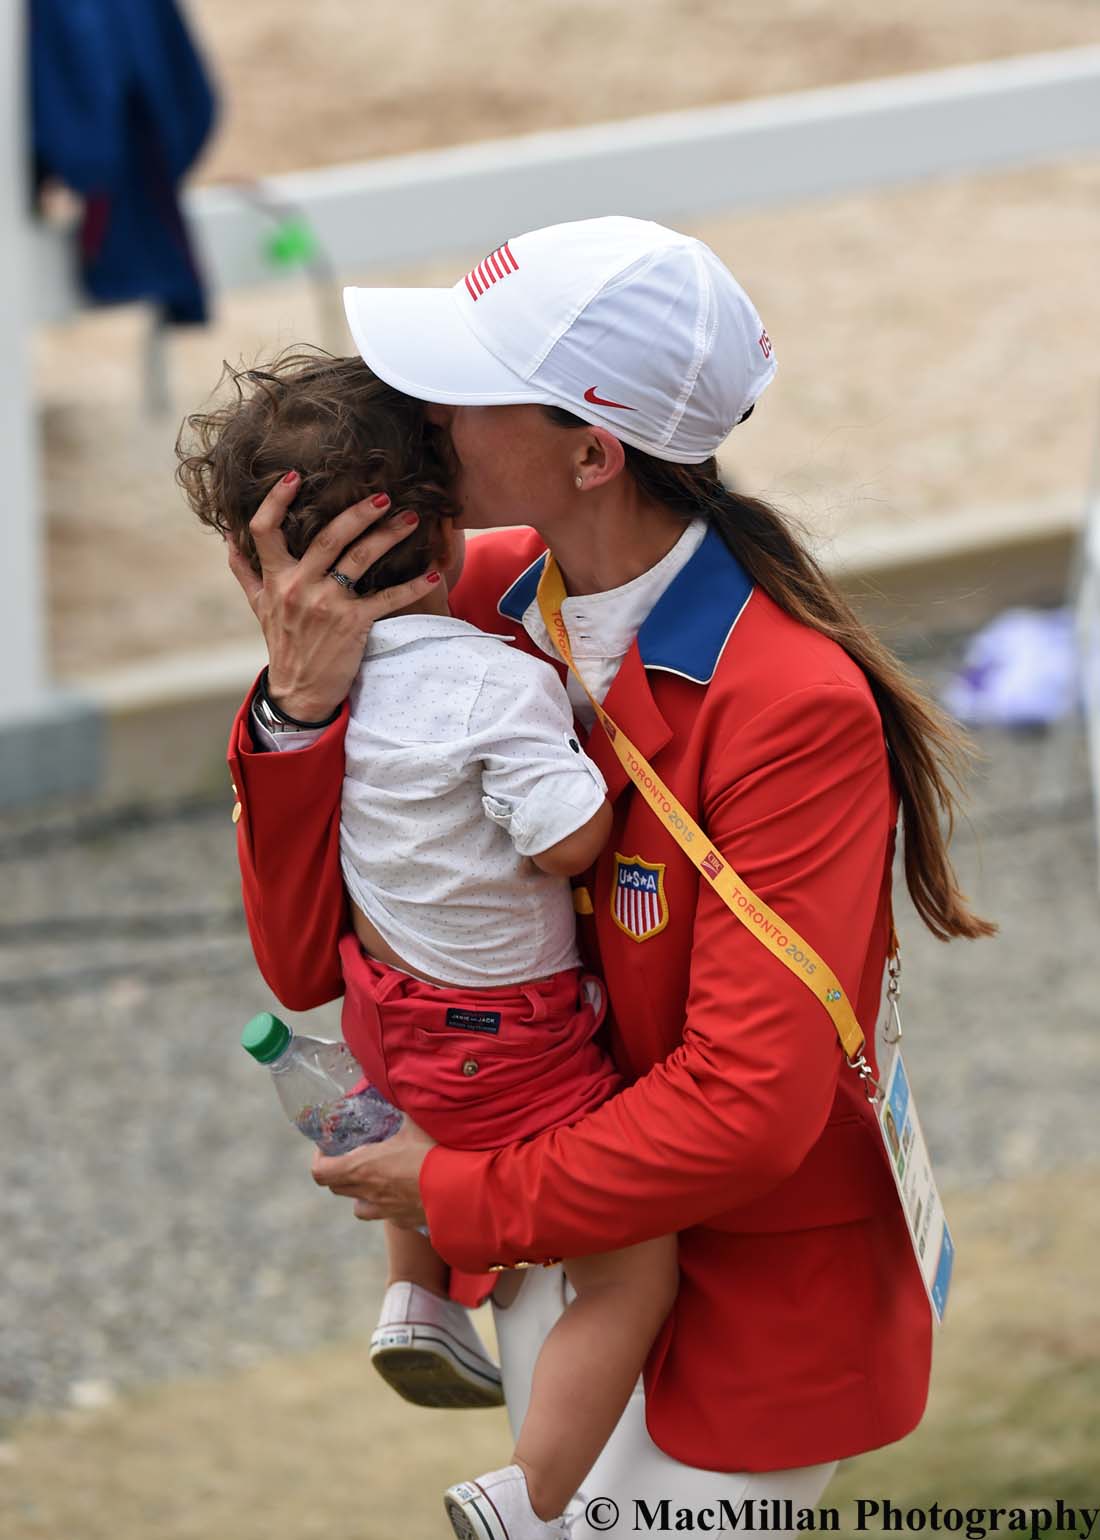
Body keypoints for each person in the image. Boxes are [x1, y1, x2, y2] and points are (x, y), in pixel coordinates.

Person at [220, 217, 996, 1539]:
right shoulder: (471, 597)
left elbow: (747, 1108)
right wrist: (295, 712)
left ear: (593, 452)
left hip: (745, 1282)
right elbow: (303, 962)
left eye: (467, 387)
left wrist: (454, 1195)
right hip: (558, 1237)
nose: (423, 414)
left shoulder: (791, 704)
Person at [176, 351, 682, 1538]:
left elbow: (310, 962)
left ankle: (415, 1300)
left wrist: (305, 710)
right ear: (444, 526)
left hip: (379, 1017)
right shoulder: (484, 679)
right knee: (629, 1267)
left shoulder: (335, 688)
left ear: (263, 565)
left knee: (409, 1100)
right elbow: (565, 840)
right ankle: (531, 1495)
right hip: (509, 1041)